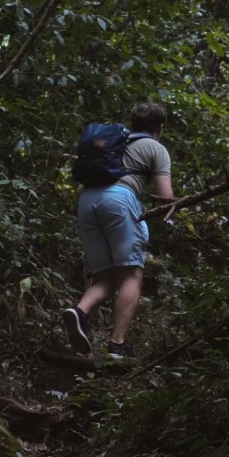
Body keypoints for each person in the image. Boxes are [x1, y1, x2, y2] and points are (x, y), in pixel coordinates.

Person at [62, 102, 174, 358]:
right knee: (132, 273)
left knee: (107, 277)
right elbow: (166, 198)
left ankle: (78, 312)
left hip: (87, 200)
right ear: (160, 127)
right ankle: (118, 344)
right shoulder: (155, 148)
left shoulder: (117, 140)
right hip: (119, 201)